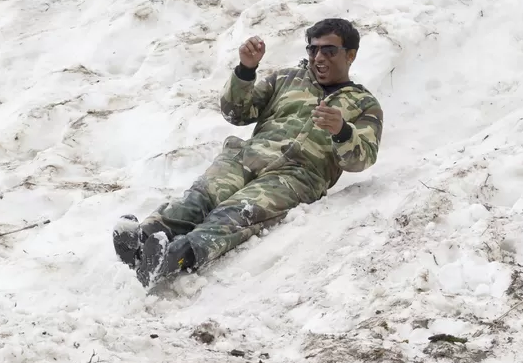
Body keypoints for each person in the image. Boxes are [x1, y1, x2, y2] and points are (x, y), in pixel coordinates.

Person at [113, 18, 384, 288]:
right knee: (201, 197)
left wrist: (341, 130)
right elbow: (237, 113)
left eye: (329, 50)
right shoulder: (287, 79)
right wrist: (246, 70)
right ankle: (143, 239)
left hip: (296, 177)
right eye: (313, 50)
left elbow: (362, 158)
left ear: (350, 54)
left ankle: (175, 257)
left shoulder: (364, 105)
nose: (319, 57)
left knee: (235, 213)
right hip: (246, 156)